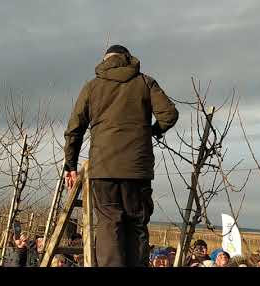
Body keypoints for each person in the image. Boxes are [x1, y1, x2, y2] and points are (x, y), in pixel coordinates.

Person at [63, 44, 179, 267]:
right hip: (137, 169)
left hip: (103, 168)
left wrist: (70, 165)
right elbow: (169, 115)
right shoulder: (145, 82)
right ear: (128, 58)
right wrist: (150, 132)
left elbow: (74, 129)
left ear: (105, 60)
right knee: (136, 225)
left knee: (109, 225)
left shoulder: (92, 87)